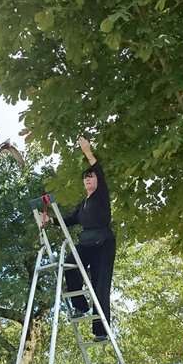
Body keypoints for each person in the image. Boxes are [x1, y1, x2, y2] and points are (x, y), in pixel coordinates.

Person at [42, 137, 116, 342]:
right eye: (85, 178)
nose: (88, 180)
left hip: (103, 243)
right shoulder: (83, 203)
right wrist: (50, 220)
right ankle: (80, 306)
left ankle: (101, 332)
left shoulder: (101, 195)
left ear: (97, 181)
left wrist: (88, 153)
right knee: (69, 267)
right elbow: (70, 220)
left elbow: (99, 170)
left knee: (100, 286)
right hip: (86, 243)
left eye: (91, 177)